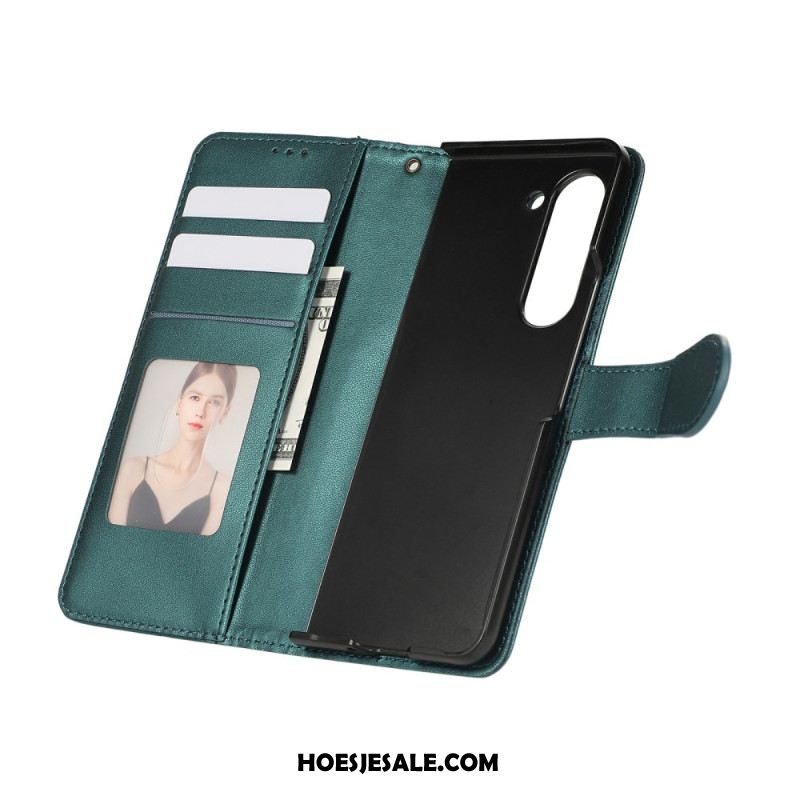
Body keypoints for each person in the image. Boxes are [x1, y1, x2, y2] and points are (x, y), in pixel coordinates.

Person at [108, 362, 235, 535]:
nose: (200, 412)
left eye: (214, 402)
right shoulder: (133, 469)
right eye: (195, 397)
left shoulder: (223, 489)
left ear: (225, 412)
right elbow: (110, 540)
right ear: (179, 403)